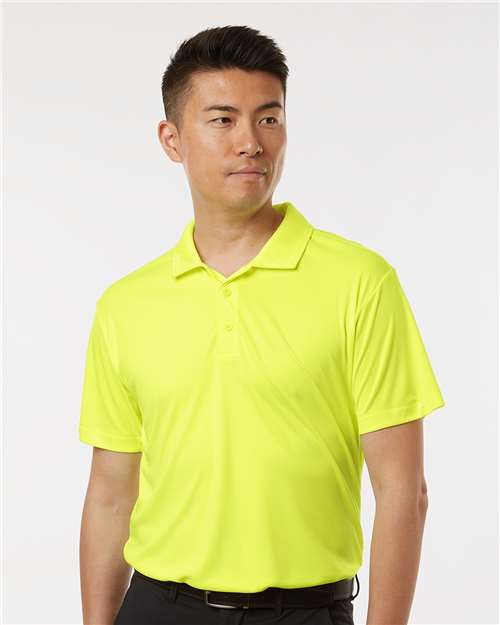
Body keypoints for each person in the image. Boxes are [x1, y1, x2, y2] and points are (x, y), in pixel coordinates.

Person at [78, 25, 445, 625]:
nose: (250, 142)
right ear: (172, 139)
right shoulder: (125, 304)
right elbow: (111, 495)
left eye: (268, 119)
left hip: (303, 611)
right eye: (222, 120)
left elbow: (403, 491)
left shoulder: (362, 283)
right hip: (157, 608)